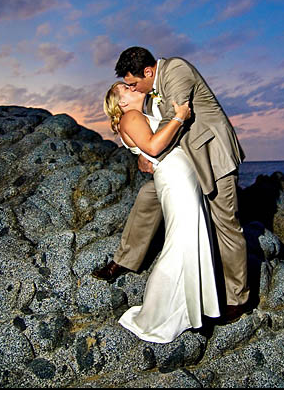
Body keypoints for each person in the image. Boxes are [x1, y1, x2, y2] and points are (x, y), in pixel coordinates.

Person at [93, 47, 251, 325]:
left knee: (226, 223)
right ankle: (126, 259)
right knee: (146, 196)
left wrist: (150, 152)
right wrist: (143, 150)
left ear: (148, 72)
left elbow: (172, 119)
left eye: (132, 83)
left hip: (211, 156)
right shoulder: (143, 100)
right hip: (181, 162)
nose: (131, 87)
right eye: (127, 87)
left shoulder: (176, 70)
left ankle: (237, 299)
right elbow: (145, 129)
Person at [103, 81, 220, 343]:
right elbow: (153, 147)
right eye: (126, 88)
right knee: (179, 245)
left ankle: (191, 310)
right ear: (121, 103)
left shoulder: (139, 114)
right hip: (175, 177)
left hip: (182, 174)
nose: (132, 86)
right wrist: (179, 117)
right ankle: (157, 315)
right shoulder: (131, 116)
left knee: (191, 241)